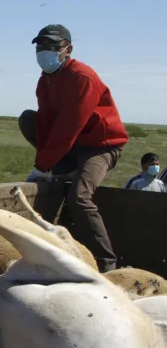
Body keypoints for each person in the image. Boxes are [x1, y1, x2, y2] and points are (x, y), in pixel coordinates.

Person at [18, 24, 129, 273]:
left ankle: (107, 264)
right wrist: (43, 165)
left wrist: (42, 165)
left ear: (67, 49)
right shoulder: (45, 81)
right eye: (41, 46)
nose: (45, 51)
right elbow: (47, 123)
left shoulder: (82, 78)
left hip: (101, 145)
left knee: (79, 197)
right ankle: (64, 168)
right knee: (29, 119)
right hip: (75, 144)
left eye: (53, 46)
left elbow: (69, 126)